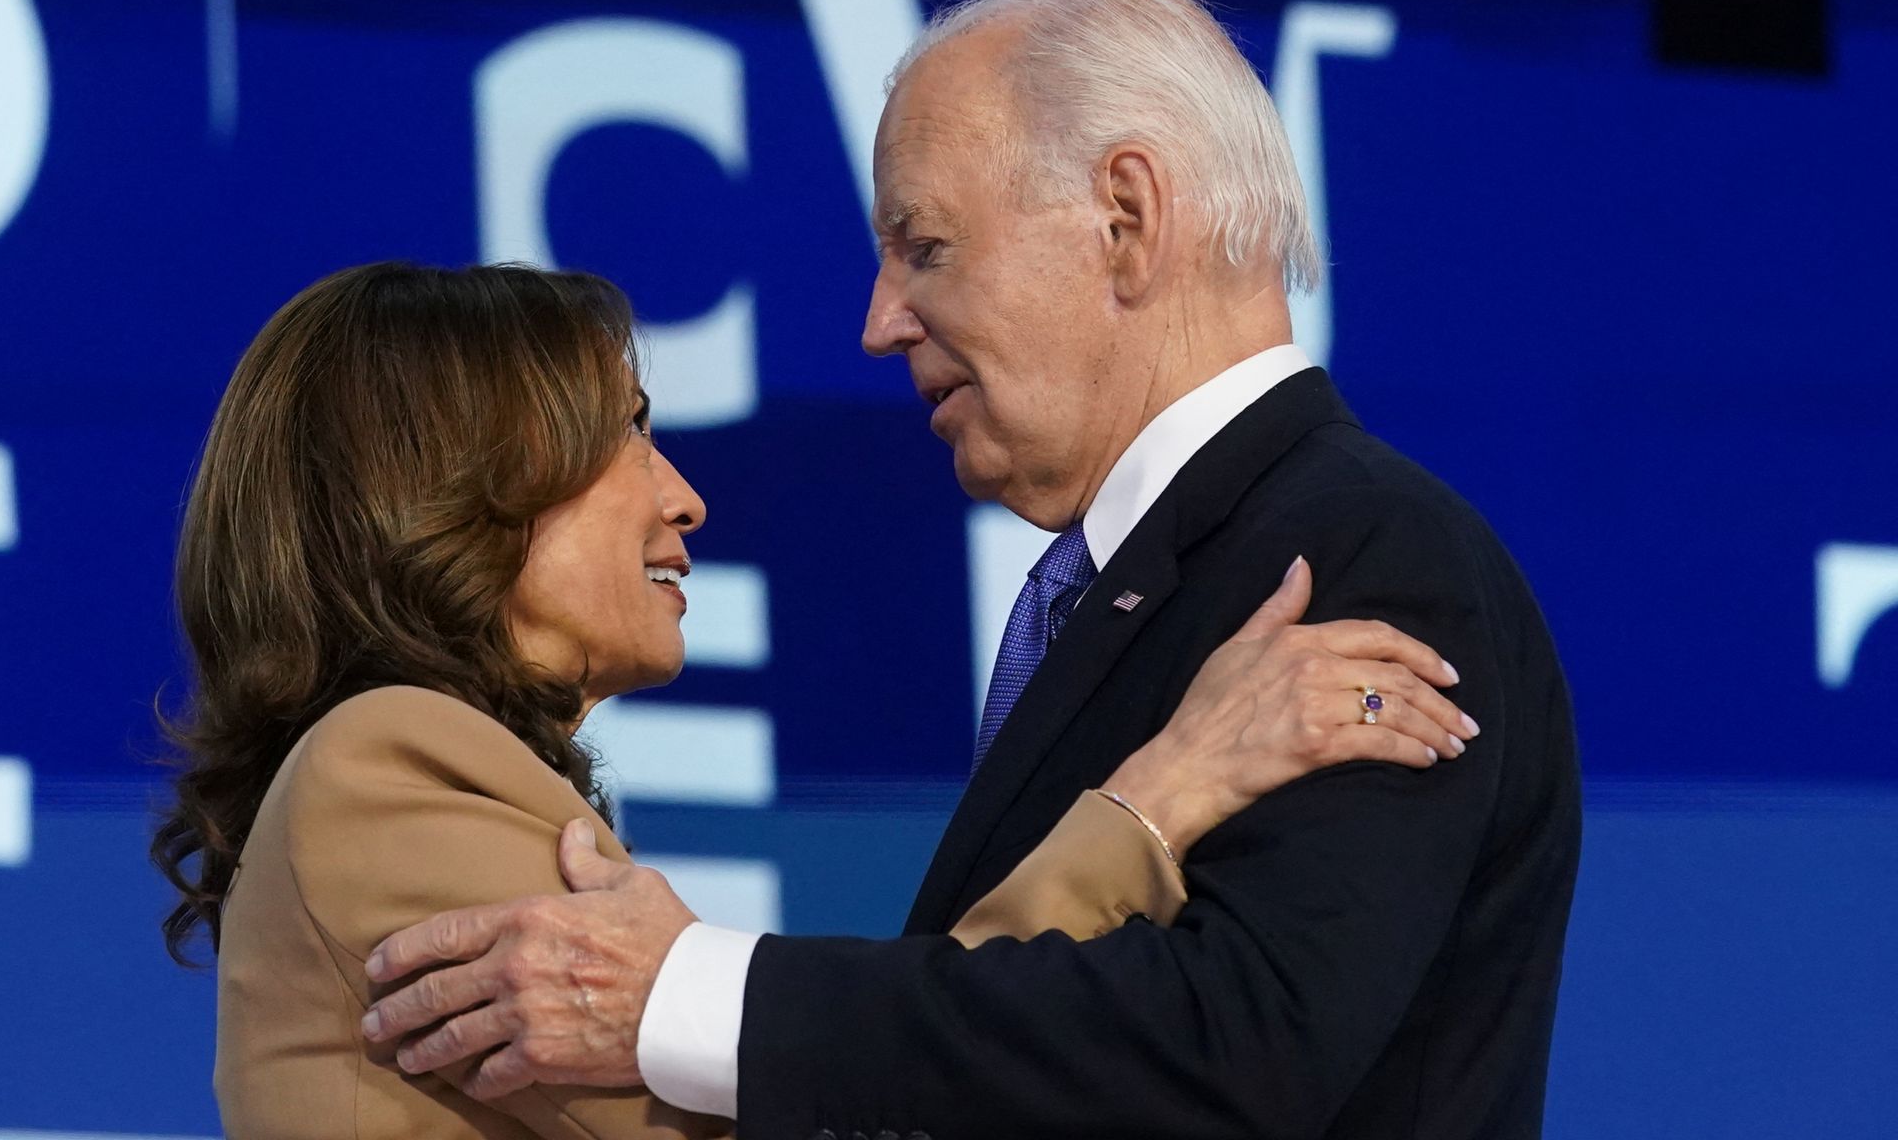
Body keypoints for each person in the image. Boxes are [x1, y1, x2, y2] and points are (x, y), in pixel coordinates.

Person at [360, 0, 1583, 1138]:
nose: (879, 320)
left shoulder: (1356, 556)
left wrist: (696, 998)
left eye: (925, 246)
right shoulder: (1154, 576)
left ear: (1126, 218)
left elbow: (1244, 1040)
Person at [151, 261, 1468, 1138]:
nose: (681, 497)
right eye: (622, 436)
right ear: (449, 487)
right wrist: (1165, 793)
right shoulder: (394, 757)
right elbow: (880, 1115)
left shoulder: (419, 775)